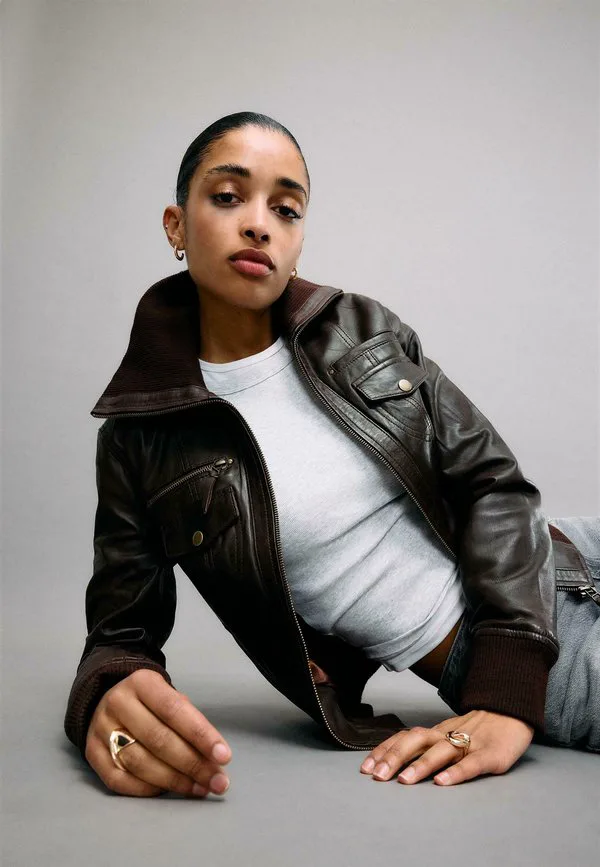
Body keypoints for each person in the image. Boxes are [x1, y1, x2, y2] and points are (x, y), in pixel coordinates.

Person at [64, 111, 600, 799]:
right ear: (176, 226)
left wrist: (507, 677)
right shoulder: (141, 437)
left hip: (562, 552)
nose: (259, 224)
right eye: (227, 196)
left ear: (298, 239)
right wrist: (105, 692)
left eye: (285, 209)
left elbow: (491, 482)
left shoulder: (358, 325)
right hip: (517, 650)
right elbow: (120, 634)